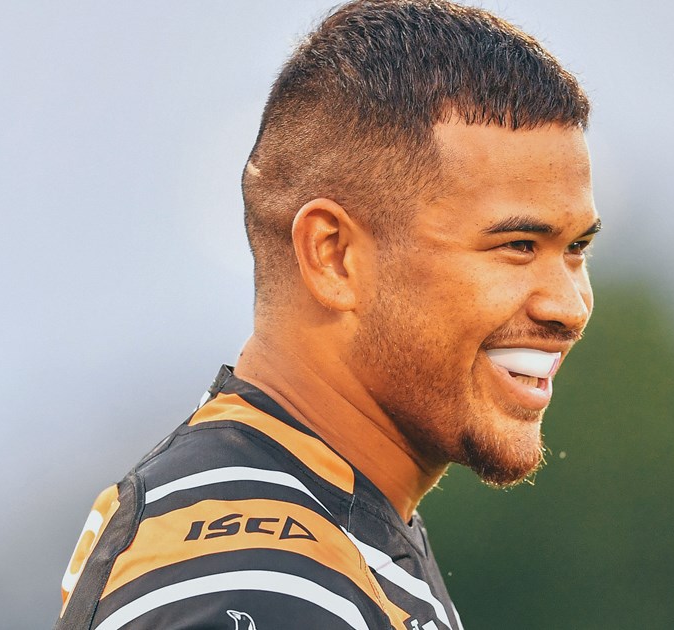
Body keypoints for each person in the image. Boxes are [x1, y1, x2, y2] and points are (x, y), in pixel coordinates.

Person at [53, 1, 598, 629]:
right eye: (518, 246)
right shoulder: (256, 583)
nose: (569, 307)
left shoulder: (325, 526)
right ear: (334, 256)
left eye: (576, 249)